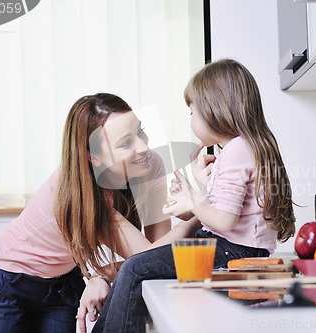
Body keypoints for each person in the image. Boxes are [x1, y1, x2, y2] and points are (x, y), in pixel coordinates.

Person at [0, 93, 200, 333]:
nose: (144, 146)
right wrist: (201, 211)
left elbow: (153, 257)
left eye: (140, 132)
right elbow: (147, 257)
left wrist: (102, 276)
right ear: (92, 157)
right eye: (125, 143)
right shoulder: (77, 195)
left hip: (63, 283)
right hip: (8, 282)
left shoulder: (149, 164)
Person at [91, 59, 296, 333]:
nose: (191, 121)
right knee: (133, 269)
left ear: (215, 110)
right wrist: (197, 193)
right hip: (231, 248)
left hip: (232, 252)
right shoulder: (243, 147)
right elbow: (224, 213)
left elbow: (223, 222)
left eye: (192, 112)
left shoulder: (237, 150)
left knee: (134, 269)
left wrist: (193, 201)